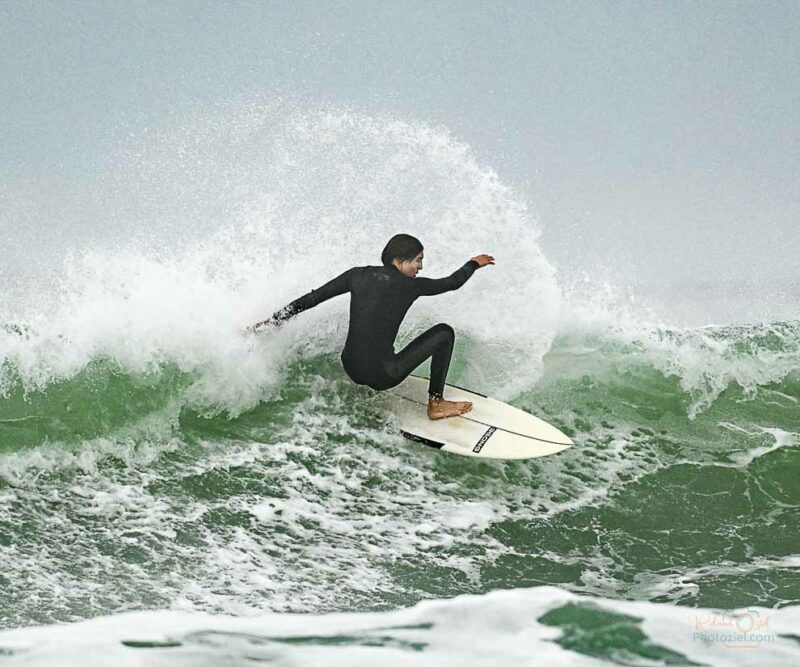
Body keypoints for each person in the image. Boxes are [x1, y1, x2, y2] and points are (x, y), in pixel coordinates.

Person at [249, 234, 495, 419]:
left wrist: (272, 322)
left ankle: (367, 372)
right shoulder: (411, 286)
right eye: (418, 260)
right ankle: (436, 403)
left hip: (351, 369)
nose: (420, 267)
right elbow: (451, 283)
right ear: (399, 261)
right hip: (383, 376)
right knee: (444, 332)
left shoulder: (357, 274)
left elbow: (311, 299)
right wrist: (472, 264)